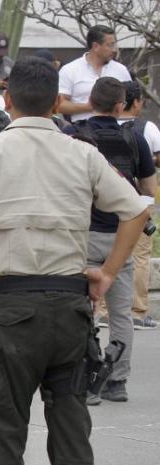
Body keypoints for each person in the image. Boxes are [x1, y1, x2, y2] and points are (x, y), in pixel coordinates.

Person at [0, 56, 148, 465]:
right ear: (57, 103)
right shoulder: (82, 153)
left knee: (3, 433)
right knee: (71, 432)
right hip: (71, 309)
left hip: (11, 306)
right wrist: (105, 274)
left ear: (7, 98)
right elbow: (136, 211)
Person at [62, 77, 155, 404]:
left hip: (82, 235)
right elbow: (149, 191)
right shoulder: (135, 139)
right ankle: (116, 381)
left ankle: (87, 381)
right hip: (121, 238)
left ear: (90, 100)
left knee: (83, 311)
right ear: (121, 105)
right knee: (121, 313)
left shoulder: (72, 137)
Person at [119, 80, 160, 330]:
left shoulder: (98, 127)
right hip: (140, 202)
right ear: (137, 102)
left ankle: (103, 310)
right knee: (139, 255)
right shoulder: (147, 128)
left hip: (106, 202)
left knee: (104, 252)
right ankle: (136, 311)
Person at [58, 25, 131, 122]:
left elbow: (131, 102)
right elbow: (59, 104)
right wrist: (88, 107)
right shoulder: (70, 70)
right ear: (96, 46)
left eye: (114, 45)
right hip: (83, 133)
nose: (114, 50)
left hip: (118, 132)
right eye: (110, 45)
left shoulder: (121, 70)